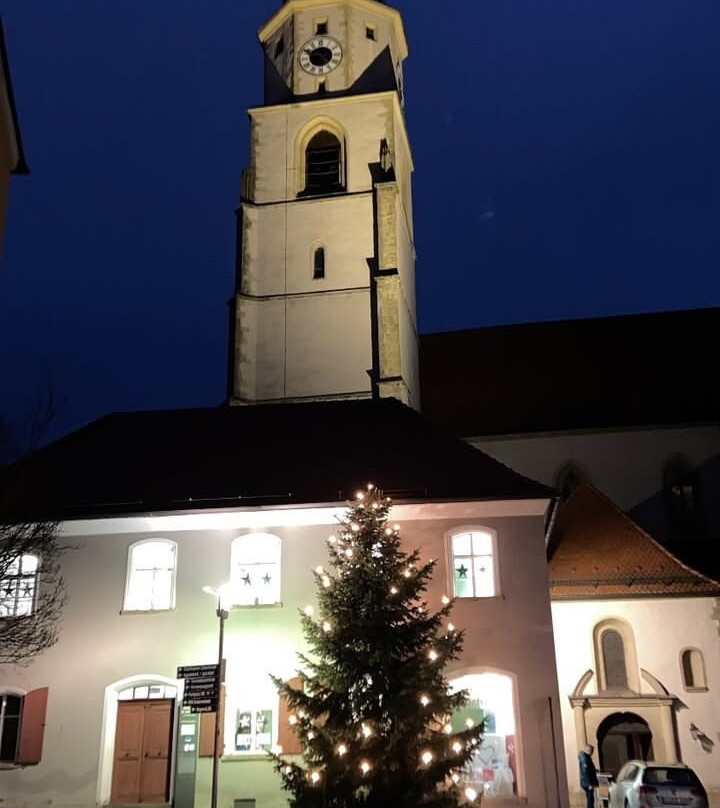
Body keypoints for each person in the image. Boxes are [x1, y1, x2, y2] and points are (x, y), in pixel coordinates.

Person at [578, 744, 599, 808]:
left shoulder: (585, 757)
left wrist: (594, 770)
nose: (592, 752)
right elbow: (585, 771)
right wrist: (589, 784)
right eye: (592, 751)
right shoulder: (585, 758)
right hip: (587, 782)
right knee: (590, 799)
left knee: (590, 798)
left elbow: (588, 769)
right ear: (589, 750)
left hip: (586, 782)